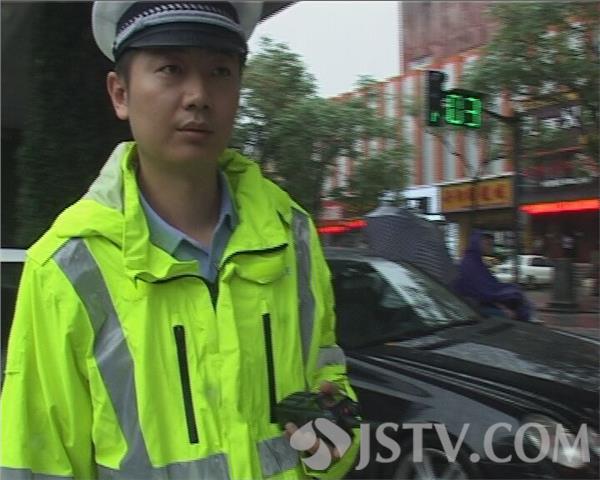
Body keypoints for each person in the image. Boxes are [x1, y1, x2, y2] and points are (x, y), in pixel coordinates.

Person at [0, 2, 359, 478]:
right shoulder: (66, 266)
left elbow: (327, 374)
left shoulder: (290, 235)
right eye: (171, 69)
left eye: (219, 71)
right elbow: (37, 461)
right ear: (120, 94)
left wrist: (334, 429)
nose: (198, 96)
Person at [453, 230, 535, 322]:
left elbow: (490, 285)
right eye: (487, 244)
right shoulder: (471, 264)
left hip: (484, 301)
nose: (490, 247)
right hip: (474, 306)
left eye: (491, 244)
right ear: (476, 244)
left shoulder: (477, 262)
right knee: (508, 315)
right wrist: (503, 307)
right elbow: (482, 292)